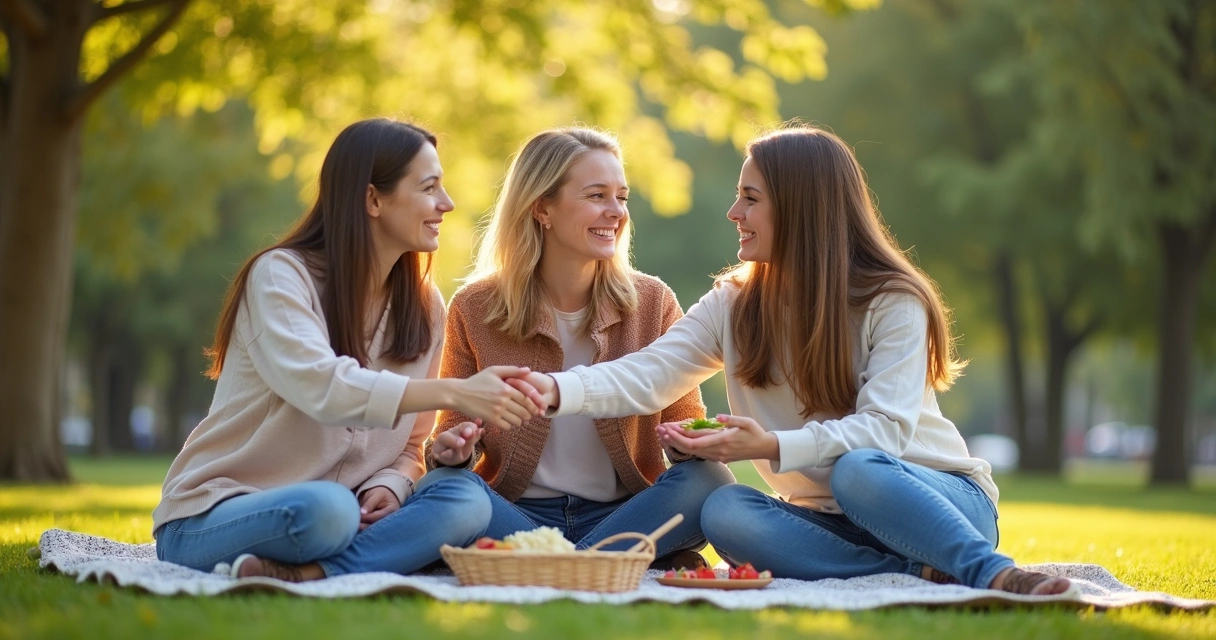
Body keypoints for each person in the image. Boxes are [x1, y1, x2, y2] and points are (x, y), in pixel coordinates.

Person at [525, 125, 1074, 596]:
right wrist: (554, 391)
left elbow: (882, 432)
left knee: (858, 468)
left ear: (801, 206)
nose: (733, 212)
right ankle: (914, 569)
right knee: (726, 509)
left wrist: (769, 446)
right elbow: (647, 374)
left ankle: (990, 571)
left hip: (935, 500)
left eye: (751, 197)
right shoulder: (734, 302)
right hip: (829, 522)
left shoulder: (891, 300)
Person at [152, 118, 544, 582]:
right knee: (328, 510)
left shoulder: (424, 305)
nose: (447, 203)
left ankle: (313, 573)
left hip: (347, 512)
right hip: (219, 514)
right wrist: (455, 392)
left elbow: (412, 446)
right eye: (429, 187)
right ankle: (370, 553)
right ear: (373, 199)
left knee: (465, 498)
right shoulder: (281, 276)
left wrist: (392, 483)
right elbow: (322, 387)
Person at [426, 127, 734, 567]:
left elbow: (683, 428)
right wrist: (449, 453)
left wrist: (692, 442)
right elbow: (451, 436)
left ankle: (553, 564)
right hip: (515, 513)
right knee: (439, 489)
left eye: (622, 197)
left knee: (711, 480)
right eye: (597, 196)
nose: (616, 212)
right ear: (542, 208)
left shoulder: (653, 301)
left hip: (625, 511)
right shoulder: (475, 307)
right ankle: (610, 562)